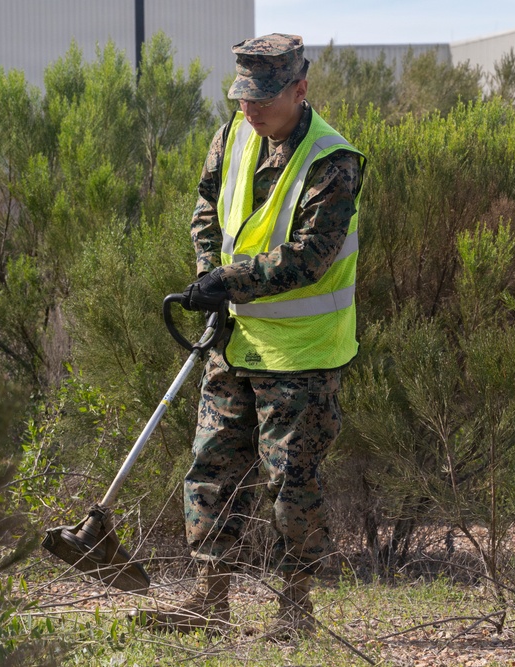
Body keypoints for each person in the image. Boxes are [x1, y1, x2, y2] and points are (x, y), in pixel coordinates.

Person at [138, 33, 365, 638]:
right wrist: (206, 276)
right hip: (234, 341)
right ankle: (209, 602)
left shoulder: (333, 161)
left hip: (302, 352)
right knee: (210, 468)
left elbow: (310, 256)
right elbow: (205, 209)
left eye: (263, 97)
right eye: (243, 95)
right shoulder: (232, 134)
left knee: (291, 482)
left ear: (300, 89)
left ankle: (296, 610)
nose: (251, 108)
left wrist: (227, 281)